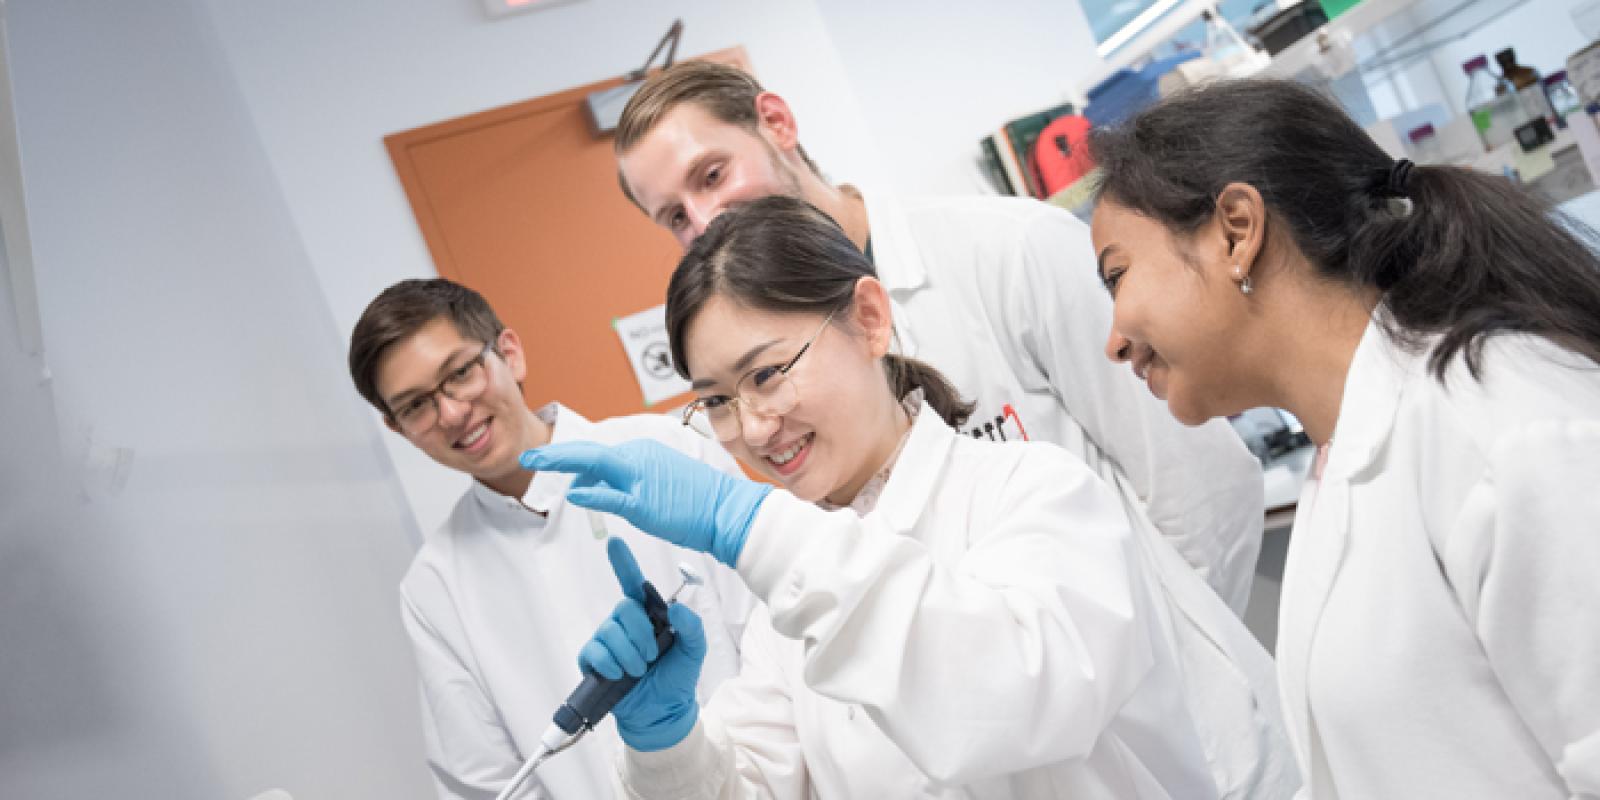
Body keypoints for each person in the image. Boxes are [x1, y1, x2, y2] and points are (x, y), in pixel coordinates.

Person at [523, 197, 1296, 798]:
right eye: (717, 400)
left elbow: (1015, 702)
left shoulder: (1033, 493)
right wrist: (667, 746)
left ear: (868, 320)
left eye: (766, 374)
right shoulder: (782, 622)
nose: (754, 427)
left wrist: (750, 526)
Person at [1088, 78, 1600, 798]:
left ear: (1237, 229)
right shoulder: (1349, 454)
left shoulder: (1505, 426)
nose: (1114, 341)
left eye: (1117, 275)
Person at [609, 60, 1266, 615]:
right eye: (674, 216)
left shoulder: (1009, 250)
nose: (704, 220)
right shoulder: (765, 389)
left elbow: (1203, 488)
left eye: (713, 175)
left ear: (776, 124)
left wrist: (1165, 687)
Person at [346, 278, 755, 799]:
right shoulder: (434, 585)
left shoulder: (665, 450)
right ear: (398, 428)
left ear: (509, 355)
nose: (450, 413)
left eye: (460, 374)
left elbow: (777, 641)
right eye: (416, 406)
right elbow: (486, 784)